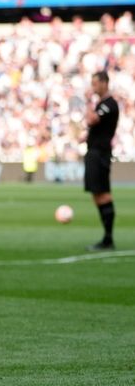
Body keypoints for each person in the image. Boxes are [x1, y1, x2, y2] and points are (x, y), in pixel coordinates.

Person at [84, 70, 119, 251]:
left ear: (105, 83)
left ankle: (108, 239)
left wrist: (88, 101)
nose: (93, 87)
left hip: (100, 153)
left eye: (95, 83)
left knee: (103, 193)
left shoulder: (109, 104)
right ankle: (107, 237)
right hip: (94, 152)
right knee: (97, 194)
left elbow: (91, 119)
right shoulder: (102, 104)